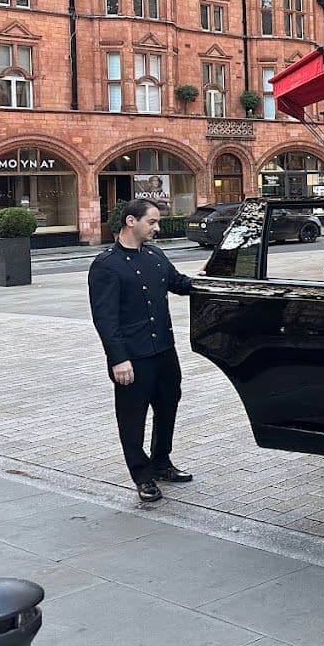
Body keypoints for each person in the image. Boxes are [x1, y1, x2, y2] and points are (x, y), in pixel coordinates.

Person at [87, 198, 195, 502]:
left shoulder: (156, 255)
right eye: (152, 222)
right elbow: (105, 320)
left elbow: (179, 283)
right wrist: (118, 359)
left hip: (164, 350)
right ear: (131, 221)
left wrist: (211, 277)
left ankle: (162, 462)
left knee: (168, 408)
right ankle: (142, 475)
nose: (157, 228)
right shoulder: (106, 264)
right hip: (132, 357)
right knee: (132, 418)